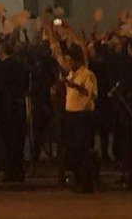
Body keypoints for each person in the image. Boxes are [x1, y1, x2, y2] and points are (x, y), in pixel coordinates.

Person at [59, 44, 97, 193]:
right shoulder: (70, 74)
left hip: (83, 115)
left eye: (69, 61)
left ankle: (87, 183)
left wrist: (75, 86)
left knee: (82, 150)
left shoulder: (87, 75)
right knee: (71, 151)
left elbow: (92, 94)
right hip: (71, 114)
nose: (68, 64)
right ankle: (79, 180)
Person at [0, 40, 28, 183]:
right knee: (18, 141)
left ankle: (10, 171)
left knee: (7, 141)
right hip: (19, 106)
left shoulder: (1, 68)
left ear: (1, 52)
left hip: (5, 107)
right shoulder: (21, 66)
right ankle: (19, 170)